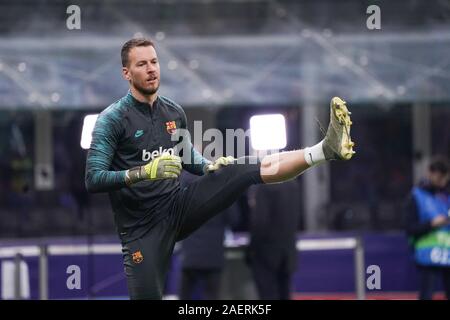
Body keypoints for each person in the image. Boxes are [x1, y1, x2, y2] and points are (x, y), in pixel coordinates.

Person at [84, 38, 355, 300]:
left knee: (243, 169)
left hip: (178, 207)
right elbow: (93, 179)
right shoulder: (112, 119)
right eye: (141, 64)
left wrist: (208, 165)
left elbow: (189, 158)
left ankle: (324, 150)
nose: (151, 68)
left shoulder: (173, 112)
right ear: (126, 73)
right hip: (141, 229)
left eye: (154, 61)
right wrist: (144, 172)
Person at [247, 179, 301, 300]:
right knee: (285, 293)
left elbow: (260, 222)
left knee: (268, 295)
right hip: (288, 251)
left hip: (266, 253)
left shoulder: (265, 188)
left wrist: (251, 248)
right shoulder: (293, 185)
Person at [404, 156, 450, 300]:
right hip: (427, 256)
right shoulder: (416, 197)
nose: (442, 181)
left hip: (448, 255)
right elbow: (410, 228)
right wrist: (432, 224)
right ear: (430, 173)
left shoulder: (446, 196)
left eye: (445, 178)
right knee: (427, 294)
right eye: (439, 177)